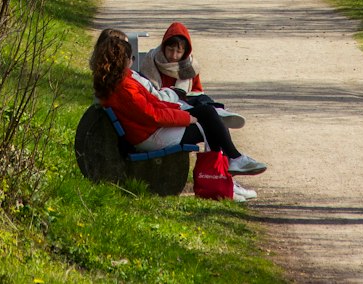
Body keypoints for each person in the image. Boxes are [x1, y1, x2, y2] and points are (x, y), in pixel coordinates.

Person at [90, 28, 257, 201]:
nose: (133, 61)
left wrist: (178, 108)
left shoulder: (119, 81)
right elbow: (151, 114)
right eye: (130, 58)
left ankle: (229, 170)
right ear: (121, 60)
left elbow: (153, 103)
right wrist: (186, 117)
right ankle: (224, 181)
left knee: (208, 113)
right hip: (150, 135)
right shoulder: (125, 87)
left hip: (149, 130)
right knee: (211, 125)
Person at [137, 22, 266, 178]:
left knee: (209, 112)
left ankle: (226, 171)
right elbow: (151, 97)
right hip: (167, 110)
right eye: (170, 49)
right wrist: (174, 95)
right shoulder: (151, 62)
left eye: (179, 51)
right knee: (210, 117)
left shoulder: (189, 66)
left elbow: (196, 90)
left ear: (185, 52)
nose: (173, 55)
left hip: (182, 106)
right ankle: (226, 170)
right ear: (163, 46)